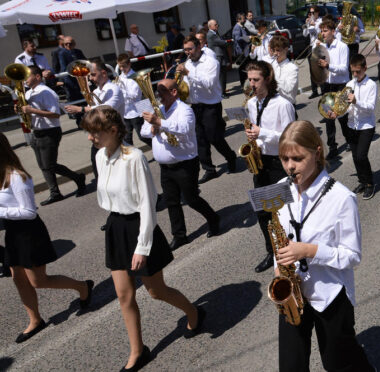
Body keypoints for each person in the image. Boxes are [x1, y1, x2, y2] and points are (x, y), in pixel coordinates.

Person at [81, 106, 204, 371]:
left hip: (139, 227)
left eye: (94, 133)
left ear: (113, 131)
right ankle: (138, 351)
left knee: (156, 291)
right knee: (124, 296)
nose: (90, 138)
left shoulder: (135, 157)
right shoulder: (101, 157)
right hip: (116, 227)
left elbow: (148, 204)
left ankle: (194, 312)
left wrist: (142, 247)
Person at [275, 120, 375, 372]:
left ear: (317, 152)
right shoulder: (280, 189)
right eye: (284, 158)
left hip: (330, 295)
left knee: (340, 364)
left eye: (297, 158)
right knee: (290, 366)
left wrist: (308, 251)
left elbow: (353, 256)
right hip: (293, 293)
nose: (290, 166)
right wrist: (279, 268)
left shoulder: (341, 198)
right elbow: (278, 237)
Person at [0, 132, 93, 344]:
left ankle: (82, 287)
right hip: (13, 233)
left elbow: (29, 211)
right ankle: (35, 320)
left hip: (29, 232)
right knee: (18, 278)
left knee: (38, 280)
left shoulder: (17, 176)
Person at [140, 79, 221, 250]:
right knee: (172, 201)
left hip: (185, 164)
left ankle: (213, 218)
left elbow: (184, 128)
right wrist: (153, 127)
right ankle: (179, 235)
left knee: (191, 199)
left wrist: (159, 122)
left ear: (174, 92)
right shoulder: (159, 110)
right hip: (165, 167)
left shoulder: (185, 110)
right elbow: (143, 131)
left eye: (161, 91)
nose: (157, 95)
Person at [245, 61, 296, 273]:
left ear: (267, 79)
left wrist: (262, 133)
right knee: (262, 213)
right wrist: (252, 144)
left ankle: (291, 251)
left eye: (256, 80)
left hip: (278, 162)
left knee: (284, 214)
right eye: (249, 79)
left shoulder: (282, 104)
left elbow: (289, 137)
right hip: (261, 162)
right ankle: (272, 252)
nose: (252, 84)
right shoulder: (250, 104)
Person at [18, 66, 86, 206]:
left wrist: (32, 110)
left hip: (50, 131)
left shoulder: (46, 92)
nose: (25, 80)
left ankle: (78, 178)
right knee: (43, 165)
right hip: (36, 131)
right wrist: (21, 110)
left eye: (27, 76)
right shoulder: (29, 93)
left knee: (50, 165)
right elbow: (29, 111)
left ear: (37, 77)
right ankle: (55, 192)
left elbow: (55, 114)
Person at [178, 35, 238, 184]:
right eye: (185, 50)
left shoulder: (211, 62)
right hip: (195, 106)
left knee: (214, 138)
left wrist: (188, 74)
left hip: (211, 105)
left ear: (198, 47)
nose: (188, 52)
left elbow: (209, 84)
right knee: (199, 139)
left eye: (190, 49)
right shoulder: (188, 63)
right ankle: (209, 169)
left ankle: (230, 156)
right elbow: (187, 84)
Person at [64, 60, 124, 181]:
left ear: (104, 73)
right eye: (89, 76)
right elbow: (93, 113)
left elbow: (107, 109)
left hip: (115, 134)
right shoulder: (95, 92)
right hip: (99, 134)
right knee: (98, 165)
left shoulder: (114, 89)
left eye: (92, 74)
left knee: (120, 167)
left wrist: (81, 108)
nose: (90, 78)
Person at [342, 54, 377, 199]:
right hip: (352, 125)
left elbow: (370, 107)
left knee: (362, 156)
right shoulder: (350, 84)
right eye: (353, 72)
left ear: (365, 68)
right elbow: (344, 107)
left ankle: (370, 183)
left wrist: (356, 101)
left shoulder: (371, 85)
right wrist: (336, 113)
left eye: (358, 71)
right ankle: (362, 181)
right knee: (356, 157)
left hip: (366, 125)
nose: (355, 75)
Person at [315, 19, 350, 160]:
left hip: (340, 85)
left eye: (325, 31)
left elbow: (344, 68)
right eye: (321, 31)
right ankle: (332, 147)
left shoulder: (342, 46)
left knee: (342, 116)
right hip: (328, 85)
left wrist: (328, 66)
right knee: (328, 118)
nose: (322, 34)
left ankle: (349, 140)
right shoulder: (322, 47)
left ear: (333, 32)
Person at [116, 54, 151, 148]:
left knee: (142, 136)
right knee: (127, 138)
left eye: (124, 66)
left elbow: (135, 95)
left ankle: (156, 147)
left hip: (136, 110)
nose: (122, 69)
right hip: (125, 111)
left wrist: (122, 92)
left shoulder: (135, 76)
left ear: (129, 64)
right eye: (120, 66)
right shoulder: (120, 78)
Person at [269, 35, 299, 106]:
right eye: (273, 50)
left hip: (288, 105)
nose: (275, 53)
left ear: (286, 49)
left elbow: (288, 89)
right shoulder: (272, 65)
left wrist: (272, 78)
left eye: (278, 50)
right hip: (274, 105)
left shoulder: (292, 68)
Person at [206, 19, 232, 98]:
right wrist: (226, 41)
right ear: (210, 26)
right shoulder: (211, 34)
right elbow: (221, 42)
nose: (217, 26)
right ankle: (221, 93)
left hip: (221, 56)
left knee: (223, 75)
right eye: (215, 25)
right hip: (218, 57)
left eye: (217, 24)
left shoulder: (215, 33)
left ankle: (223, 91)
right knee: (221, 76)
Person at [303, 6, 323, 99]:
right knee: (312, 70)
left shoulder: (321, 21)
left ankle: (323, 89)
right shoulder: (309, 21)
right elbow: (305, 34)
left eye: (312, 12)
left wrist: (314, 25)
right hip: (311, 46)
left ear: (317, 12)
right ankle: (314, 91)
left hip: (319, 46)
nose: (311, 14)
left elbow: (321, 33)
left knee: (320, 68)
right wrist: (307, 25)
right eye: (310, 13)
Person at [232, 12, 252, 86]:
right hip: (241, 52)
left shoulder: (242, 26)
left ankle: (246, 83)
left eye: (244, 18)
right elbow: (237, 38)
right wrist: (247, 38)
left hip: (246, 50)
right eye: (243, 19)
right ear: (238, 20)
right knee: (242, 68)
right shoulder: (237, 27)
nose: (245, 20)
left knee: (246, 67)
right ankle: (243, 84)